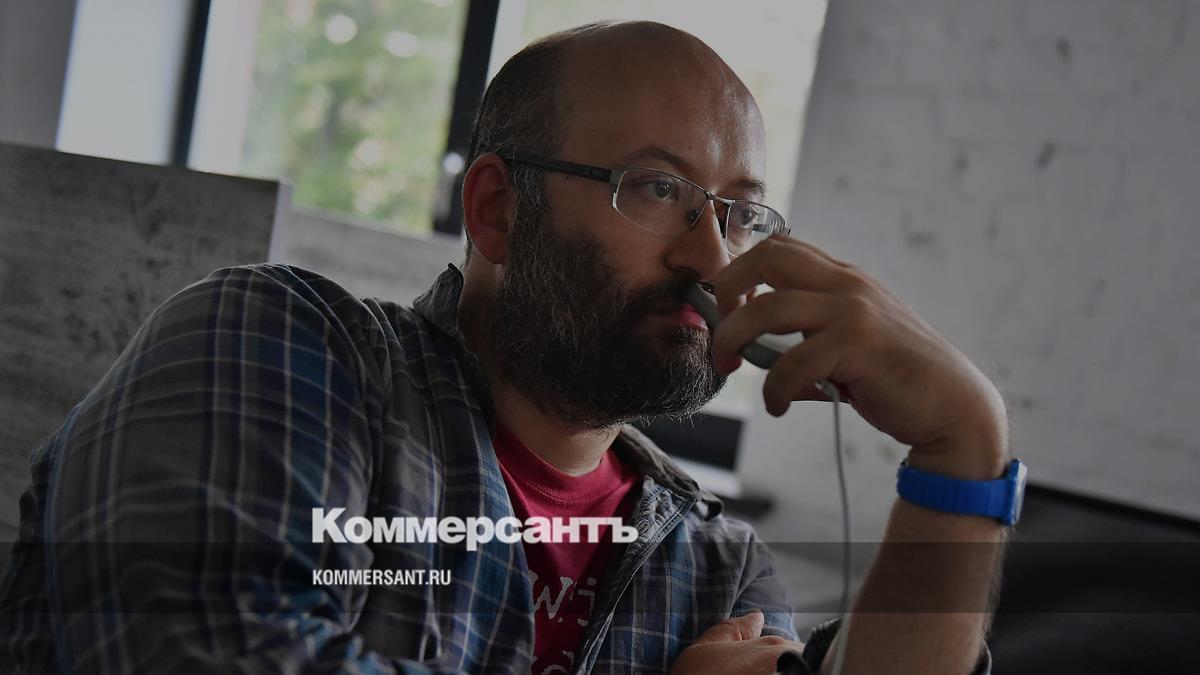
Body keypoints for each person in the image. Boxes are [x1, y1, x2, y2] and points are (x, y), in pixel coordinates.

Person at [0, 21, 1008, 674]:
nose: (711, 254)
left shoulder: (717, 571)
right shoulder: (282, 347)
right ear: (496, 209)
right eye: (657, 188)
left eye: (739, 213)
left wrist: (964, 451)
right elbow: (208, 650)